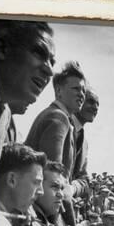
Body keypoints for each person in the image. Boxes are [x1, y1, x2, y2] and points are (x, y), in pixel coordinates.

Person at [0, 20, 55, 170]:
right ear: (2, 48)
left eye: (52, 62)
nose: (50, 71)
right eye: (39, 53)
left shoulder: (2, 112)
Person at [25, 61, 88, 197]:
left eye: (83, 90)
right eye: (76, 89)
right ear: (59, 91)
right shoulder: (58, 119)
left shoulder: (58, 116)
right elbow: (54, 183)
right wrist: (69, 219)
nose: (82, 94)